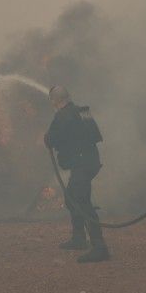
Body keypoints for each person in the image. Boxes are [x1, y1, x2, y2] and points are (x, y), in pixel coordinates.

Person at [44, 86, 108, 263]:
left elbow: (52, 139)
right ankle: (79, 238)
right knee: (72, 196)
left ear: (55, 100)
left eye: (52, 101)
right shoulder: (82, 111)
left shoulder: (62, 115)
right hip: (90, 161)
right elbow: (95, 136)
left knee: (82, 202)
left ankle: (99, 247)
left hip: (82, 164)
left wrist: (47, 138)